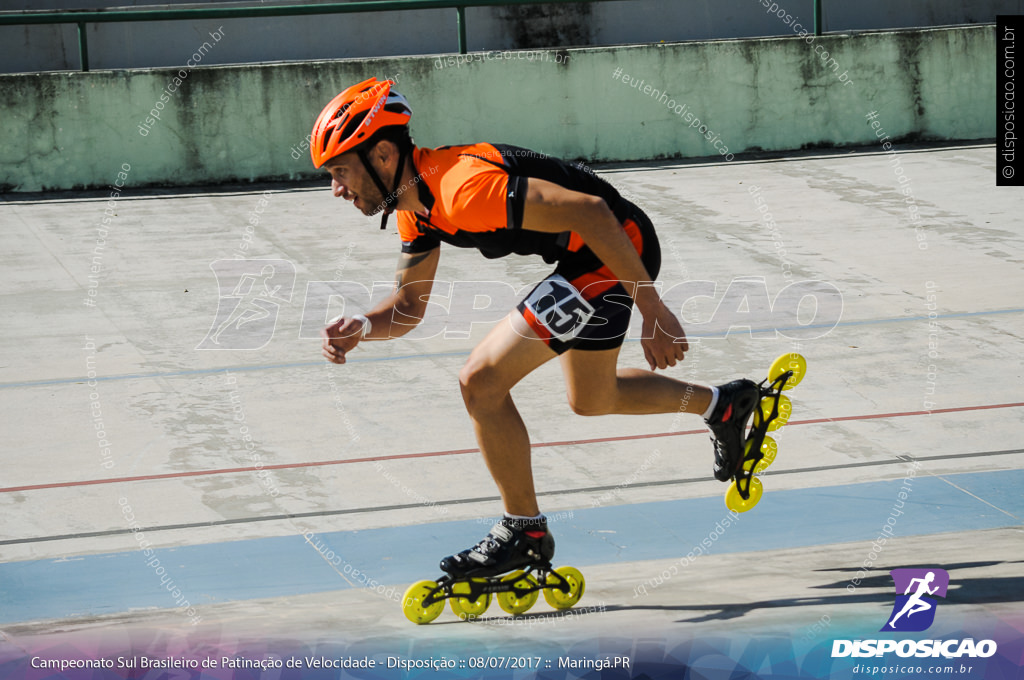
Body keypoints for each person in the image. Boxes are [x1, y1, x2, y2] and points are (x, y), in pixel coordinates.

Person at [315, 78, 760, 580]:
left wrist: (652, 309)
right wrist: (363, 327)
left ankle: (523, 532)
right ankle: (723, 405)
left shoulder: (460, 188)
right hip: (586, 255)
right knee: (592, 398)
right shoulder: (414, 208)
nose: (336, 189)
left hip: (612, 248)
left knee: (480, 381)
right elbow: (410, 305)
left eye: (340, 172)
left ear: (381, 155)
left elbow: (591, 212)